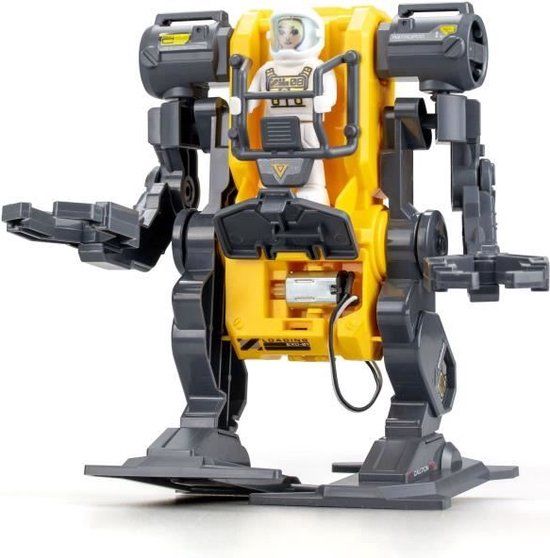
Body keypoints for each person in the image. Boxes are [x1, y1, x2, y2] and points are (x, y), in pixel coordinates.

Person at [232, 9, 337, 205]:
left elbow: (329, 90)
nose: (287, 37)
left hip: (307, 124)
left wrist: (325, 101)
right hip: (273, 126)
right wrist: (244, 104)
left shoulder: (316, 67)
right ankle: (272, 190)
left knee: (312, 156)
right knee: (273, 156)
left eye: (294, 32)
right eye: (281, 32)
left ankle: (313, 189)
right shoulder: (267, 70)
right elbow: (252, 94)